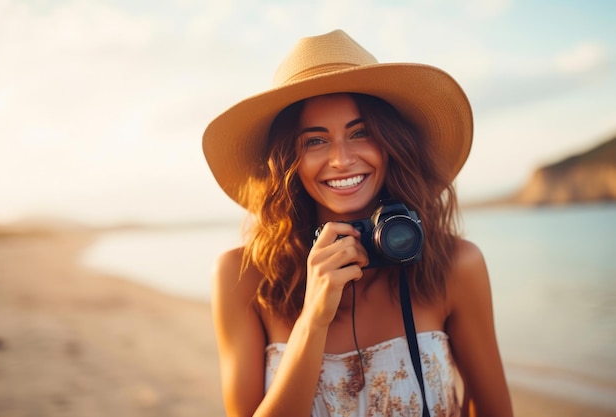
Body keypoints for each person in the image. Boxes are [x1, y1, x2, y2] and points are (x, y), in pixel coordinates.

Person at [203, 29, 513, 417]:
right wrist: (312, 319)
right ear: (288, 161)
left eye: (360, 132)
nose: (341, 159)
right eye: (315, 141)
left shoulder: (455, 264)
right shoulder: (243, 276)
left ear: (390, 143)